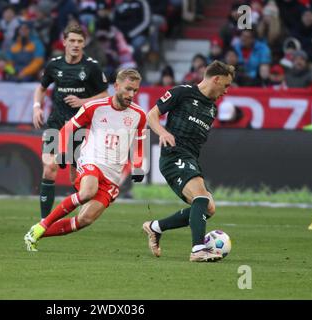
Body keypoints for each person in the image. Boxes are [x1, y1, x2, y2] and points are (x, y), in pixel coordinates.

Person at [24, 68, 146, 251]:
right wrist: (63, 151)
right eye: (128, 89)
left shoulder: (139, 115)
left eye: (135, 91)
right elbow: (68, 128)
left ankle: (35, 233)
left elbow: (139, 143)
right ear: (116, 86)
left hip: (112, 175)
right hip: (92, 161)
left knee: (84, 220)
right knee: (88, 191)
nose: (131, 94)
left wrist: (137, 166)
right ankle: (44, 223)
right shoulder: (94, 107)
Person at [142, 60, 235, 262]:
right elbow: (152, 115)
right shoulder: (182, 92)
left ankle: (155, 227)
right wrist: (163, 133)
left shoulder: (212, 109)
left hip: (190, 158)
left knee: (208, 208)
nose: (226, 91)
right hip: (173, 155)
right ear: (216, 79)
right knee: (201, 197)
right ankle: (197, 249)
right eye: (226, 85)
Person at [32, 23, 109, 220]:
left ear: (84, 44)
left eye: (80, 41)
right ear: (64, 42)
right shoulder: (54, 65)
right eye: (72, 41)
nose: (76, 45)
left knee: (76, 178)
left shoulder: (91, 67)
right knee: (49, 167)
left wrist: (83, 101)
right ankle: (44, 221)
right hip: (56, 123)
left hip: (79, 127)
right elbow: (41, 88)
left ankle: (74, 217)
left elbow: (105, 94)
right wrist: (36, 107)